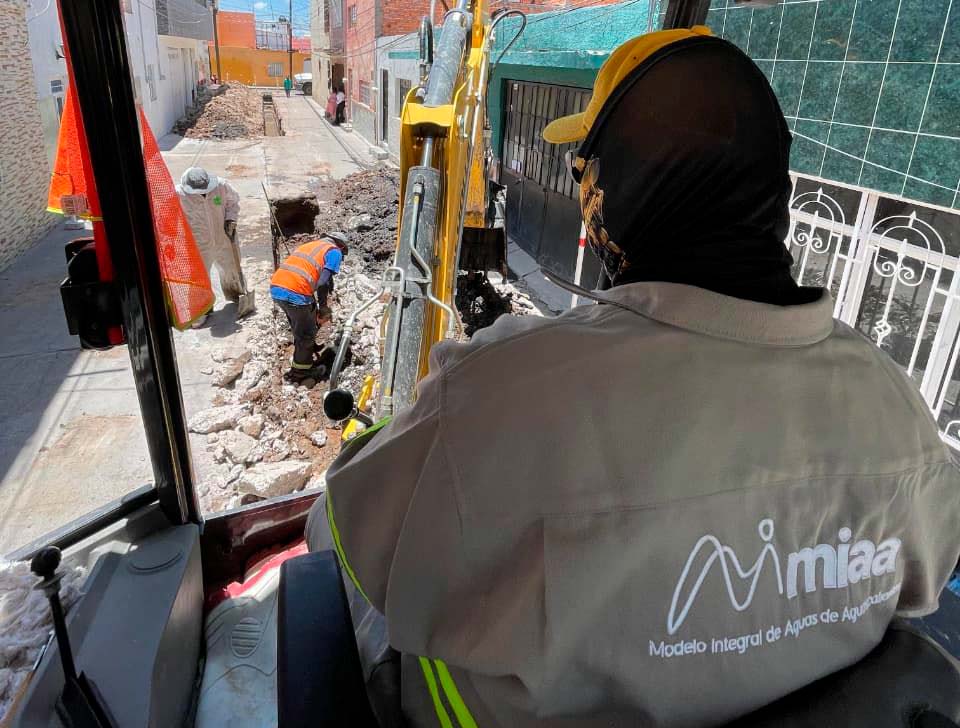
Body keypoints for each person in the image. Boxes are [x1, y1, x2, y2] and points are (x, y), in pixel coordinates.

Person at [306, 27, 960, 728]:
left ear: (615, 186)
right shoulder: (896, 405)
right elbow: (920, 589)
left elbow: (337, 534)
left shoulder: (502, 396)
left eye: (587, 168)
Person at [270, 233, 348, 382]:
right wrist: (324, 307)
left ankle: (308, 348)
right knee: (306, 333)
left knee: (305, 318)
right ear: (342, 246)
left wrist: (317, 306)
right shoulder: (334, 251)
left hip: (278, 288)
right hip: (295, 292)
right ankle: (301, 372)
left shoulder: (311, 245)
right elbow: (323, 283)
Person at [177, 166, 244, 325]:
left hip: (223, 238)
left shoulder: (220, 186)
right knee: (199, 278)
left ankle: (237, 295)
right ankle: (201, 311)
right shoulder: (178, 195)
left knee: (231, 267)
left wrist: (231, 218)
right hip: (198, 244)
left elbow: (233, 202)